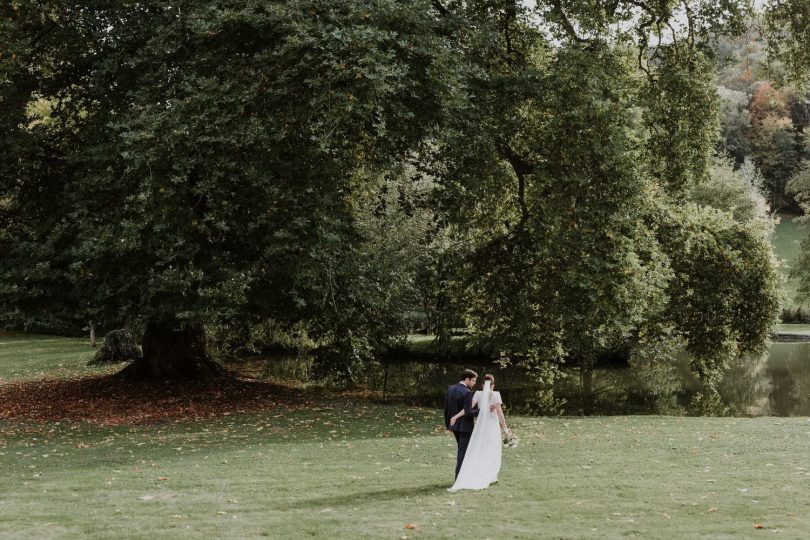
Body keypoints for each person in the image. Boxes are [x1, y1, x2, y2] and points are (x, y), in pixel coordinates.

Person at [447, 374, 510, 491]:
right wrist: (505, 429)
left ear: (482, 385)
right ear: (493, 385)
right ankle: (490, 476)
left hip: (480, 426)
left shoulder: (477, 394)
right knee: (492, 450)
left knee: (481, 449)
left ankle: (479, 473)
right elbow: (500, 413)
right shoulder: (496, 394)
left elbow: (467, 410)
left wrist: (456, 416)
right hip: (492, 426)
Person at [444, 369, 479, 480]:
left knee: (462, 450)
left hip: (454, 426)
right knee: (463, 452)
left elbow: (446, 409)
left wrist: (449, 426)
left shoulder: (450, 389)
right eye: (473, 380)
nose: (474, 383)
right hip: (465, 427)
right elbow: (468, 412)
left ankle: (465, 475)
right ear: (467, 379)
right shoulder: (468, 392)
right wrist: (482, 410)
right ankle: (459, 479)